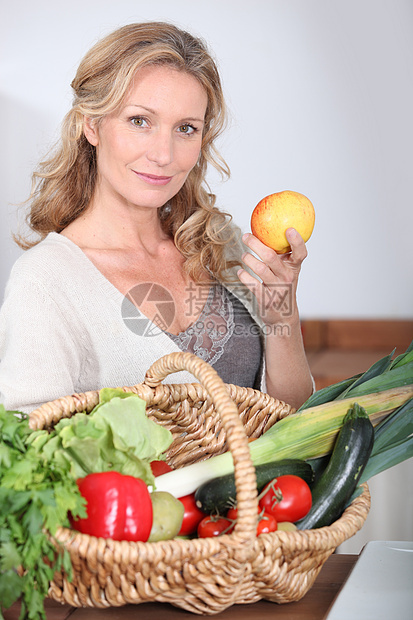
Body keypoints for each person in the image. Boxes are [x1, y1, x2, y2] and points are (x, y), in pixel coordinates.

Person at [0, 22, 314, 414]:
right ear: (92, 124)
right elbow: (30, 447)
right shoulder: (46, 281)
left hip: (260, 479)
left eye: (186, 128)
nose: (164, 154)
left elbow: (294, 418)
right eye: (139, 121)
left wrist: (282, 315)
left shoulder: (223, 244)